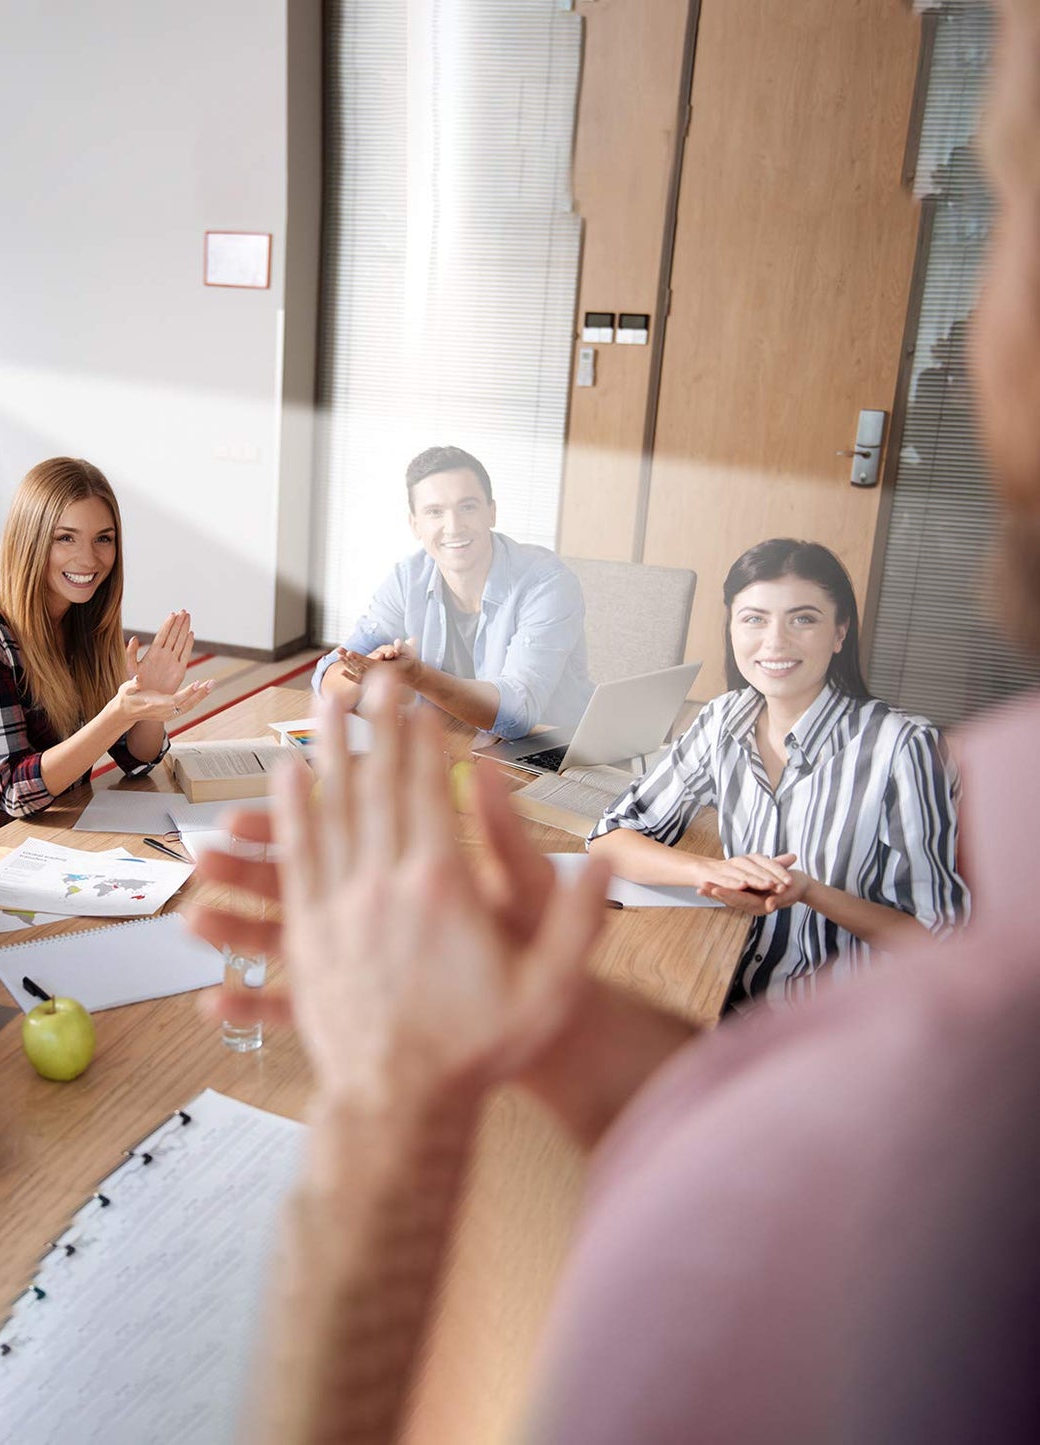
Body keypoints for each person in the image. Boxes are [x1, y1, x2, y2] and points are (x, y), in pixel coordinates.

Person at [184, 2, 1040, 1436]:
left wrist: (386, 1121)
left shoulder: (912, 800)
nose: (970, 328)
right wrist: (564, 1023)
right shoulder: (927, 789)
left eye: (1008, 198)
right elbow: (585, 799)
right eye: (750, 622)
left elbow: (519, 723)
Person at [587, 538, 968, 1006]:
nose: (775, 642)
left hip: (842, 1017)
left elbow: (941, 938)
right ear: (732, 627)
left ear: (840, 631)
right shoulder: (724, 719)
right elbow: (610, 839)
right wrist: (716, 871)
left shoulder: (903, 747)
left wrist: (808, 892)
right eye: (754, 619)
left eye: (803, 619)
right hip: (730, 985)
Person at [0, 456, 212, 853]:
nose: (89, 559)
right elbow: (15, 794)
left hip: (62, 835)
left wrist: (147, 709)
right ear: (29, 540)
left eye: (103, 538)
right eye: (66, 538)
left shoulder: (83, 621)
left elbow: (136, 762)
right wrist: (117, 714)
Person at [313, 445, 592, 738]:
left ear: (491, 512)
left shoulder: (546, 583)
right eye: (435, 512)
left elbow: (518, 715)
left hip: (555, 750)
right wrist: (368, 670)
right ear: (415, 524)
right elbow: (328, 681)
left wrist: (417, 676)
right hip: (456, 742)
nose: (453, 526)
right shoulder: (408, 578)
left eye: (467, 507)